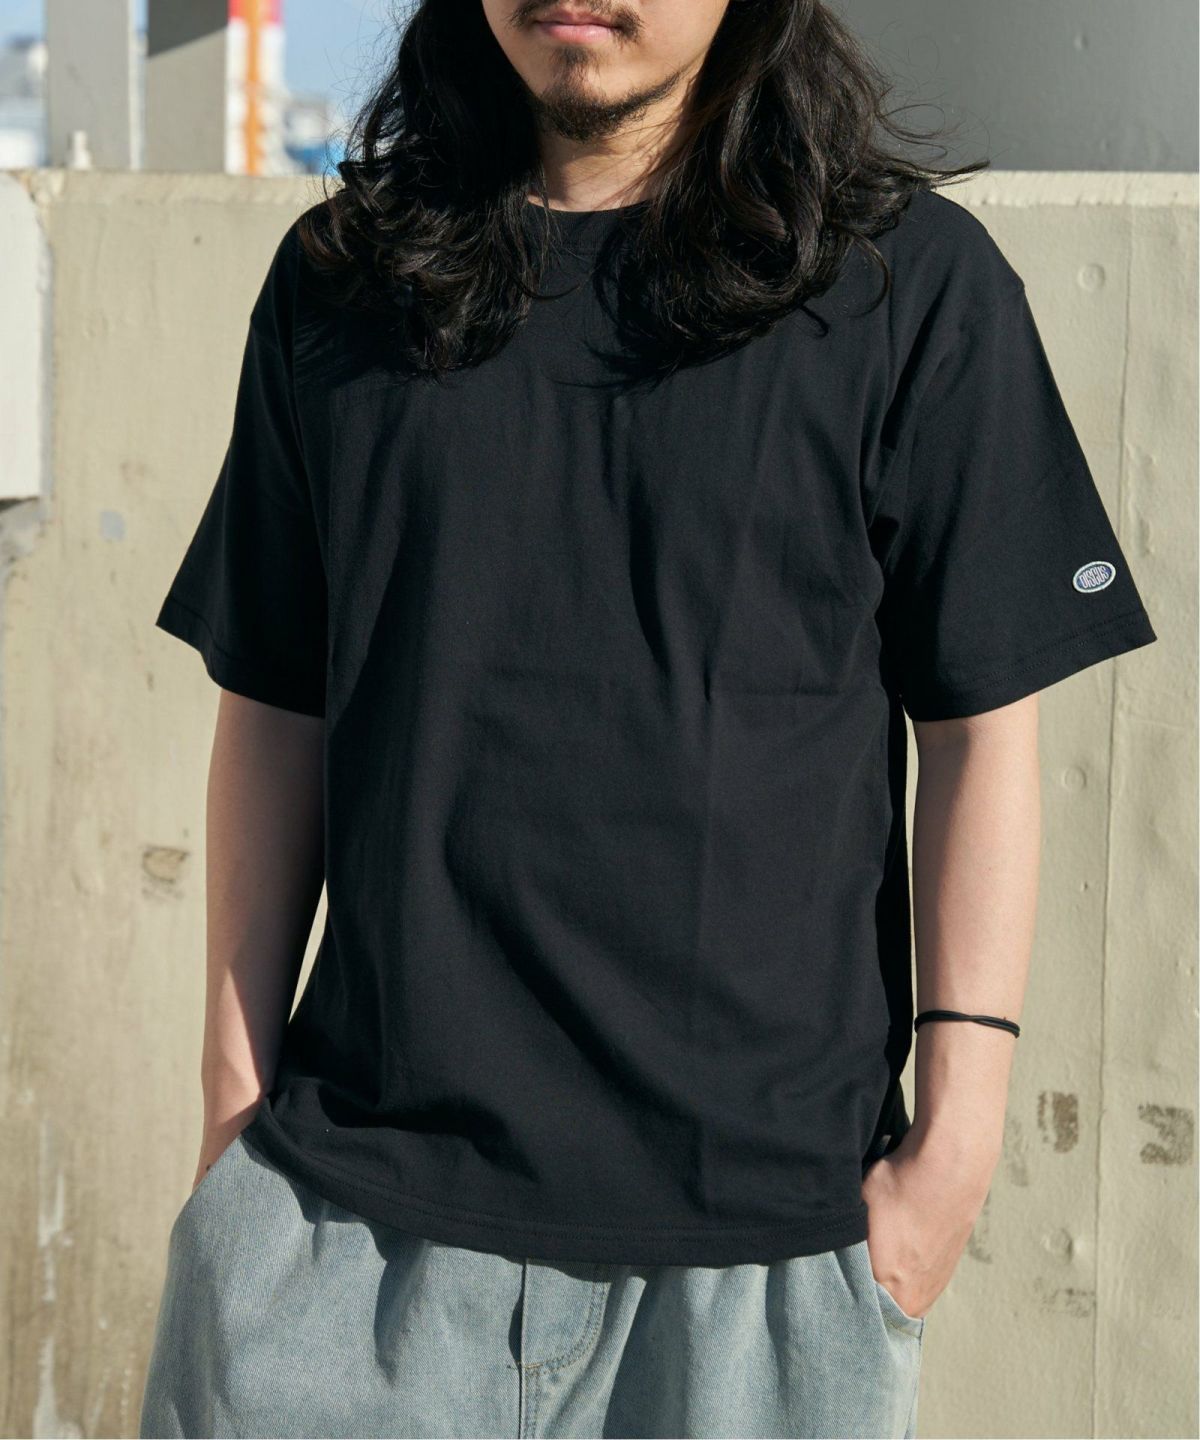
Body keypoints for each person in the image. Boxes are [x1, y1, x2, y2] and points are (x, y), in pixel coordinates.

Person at [138, 1, 1158, 1436]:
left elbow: (983, 727)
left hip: (763, 1266)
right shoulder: (345, 281)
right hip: (338, 1237)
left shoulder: (905, 282)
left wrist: (957, 1147)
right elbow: (274, 704)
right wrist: (232, 1114)